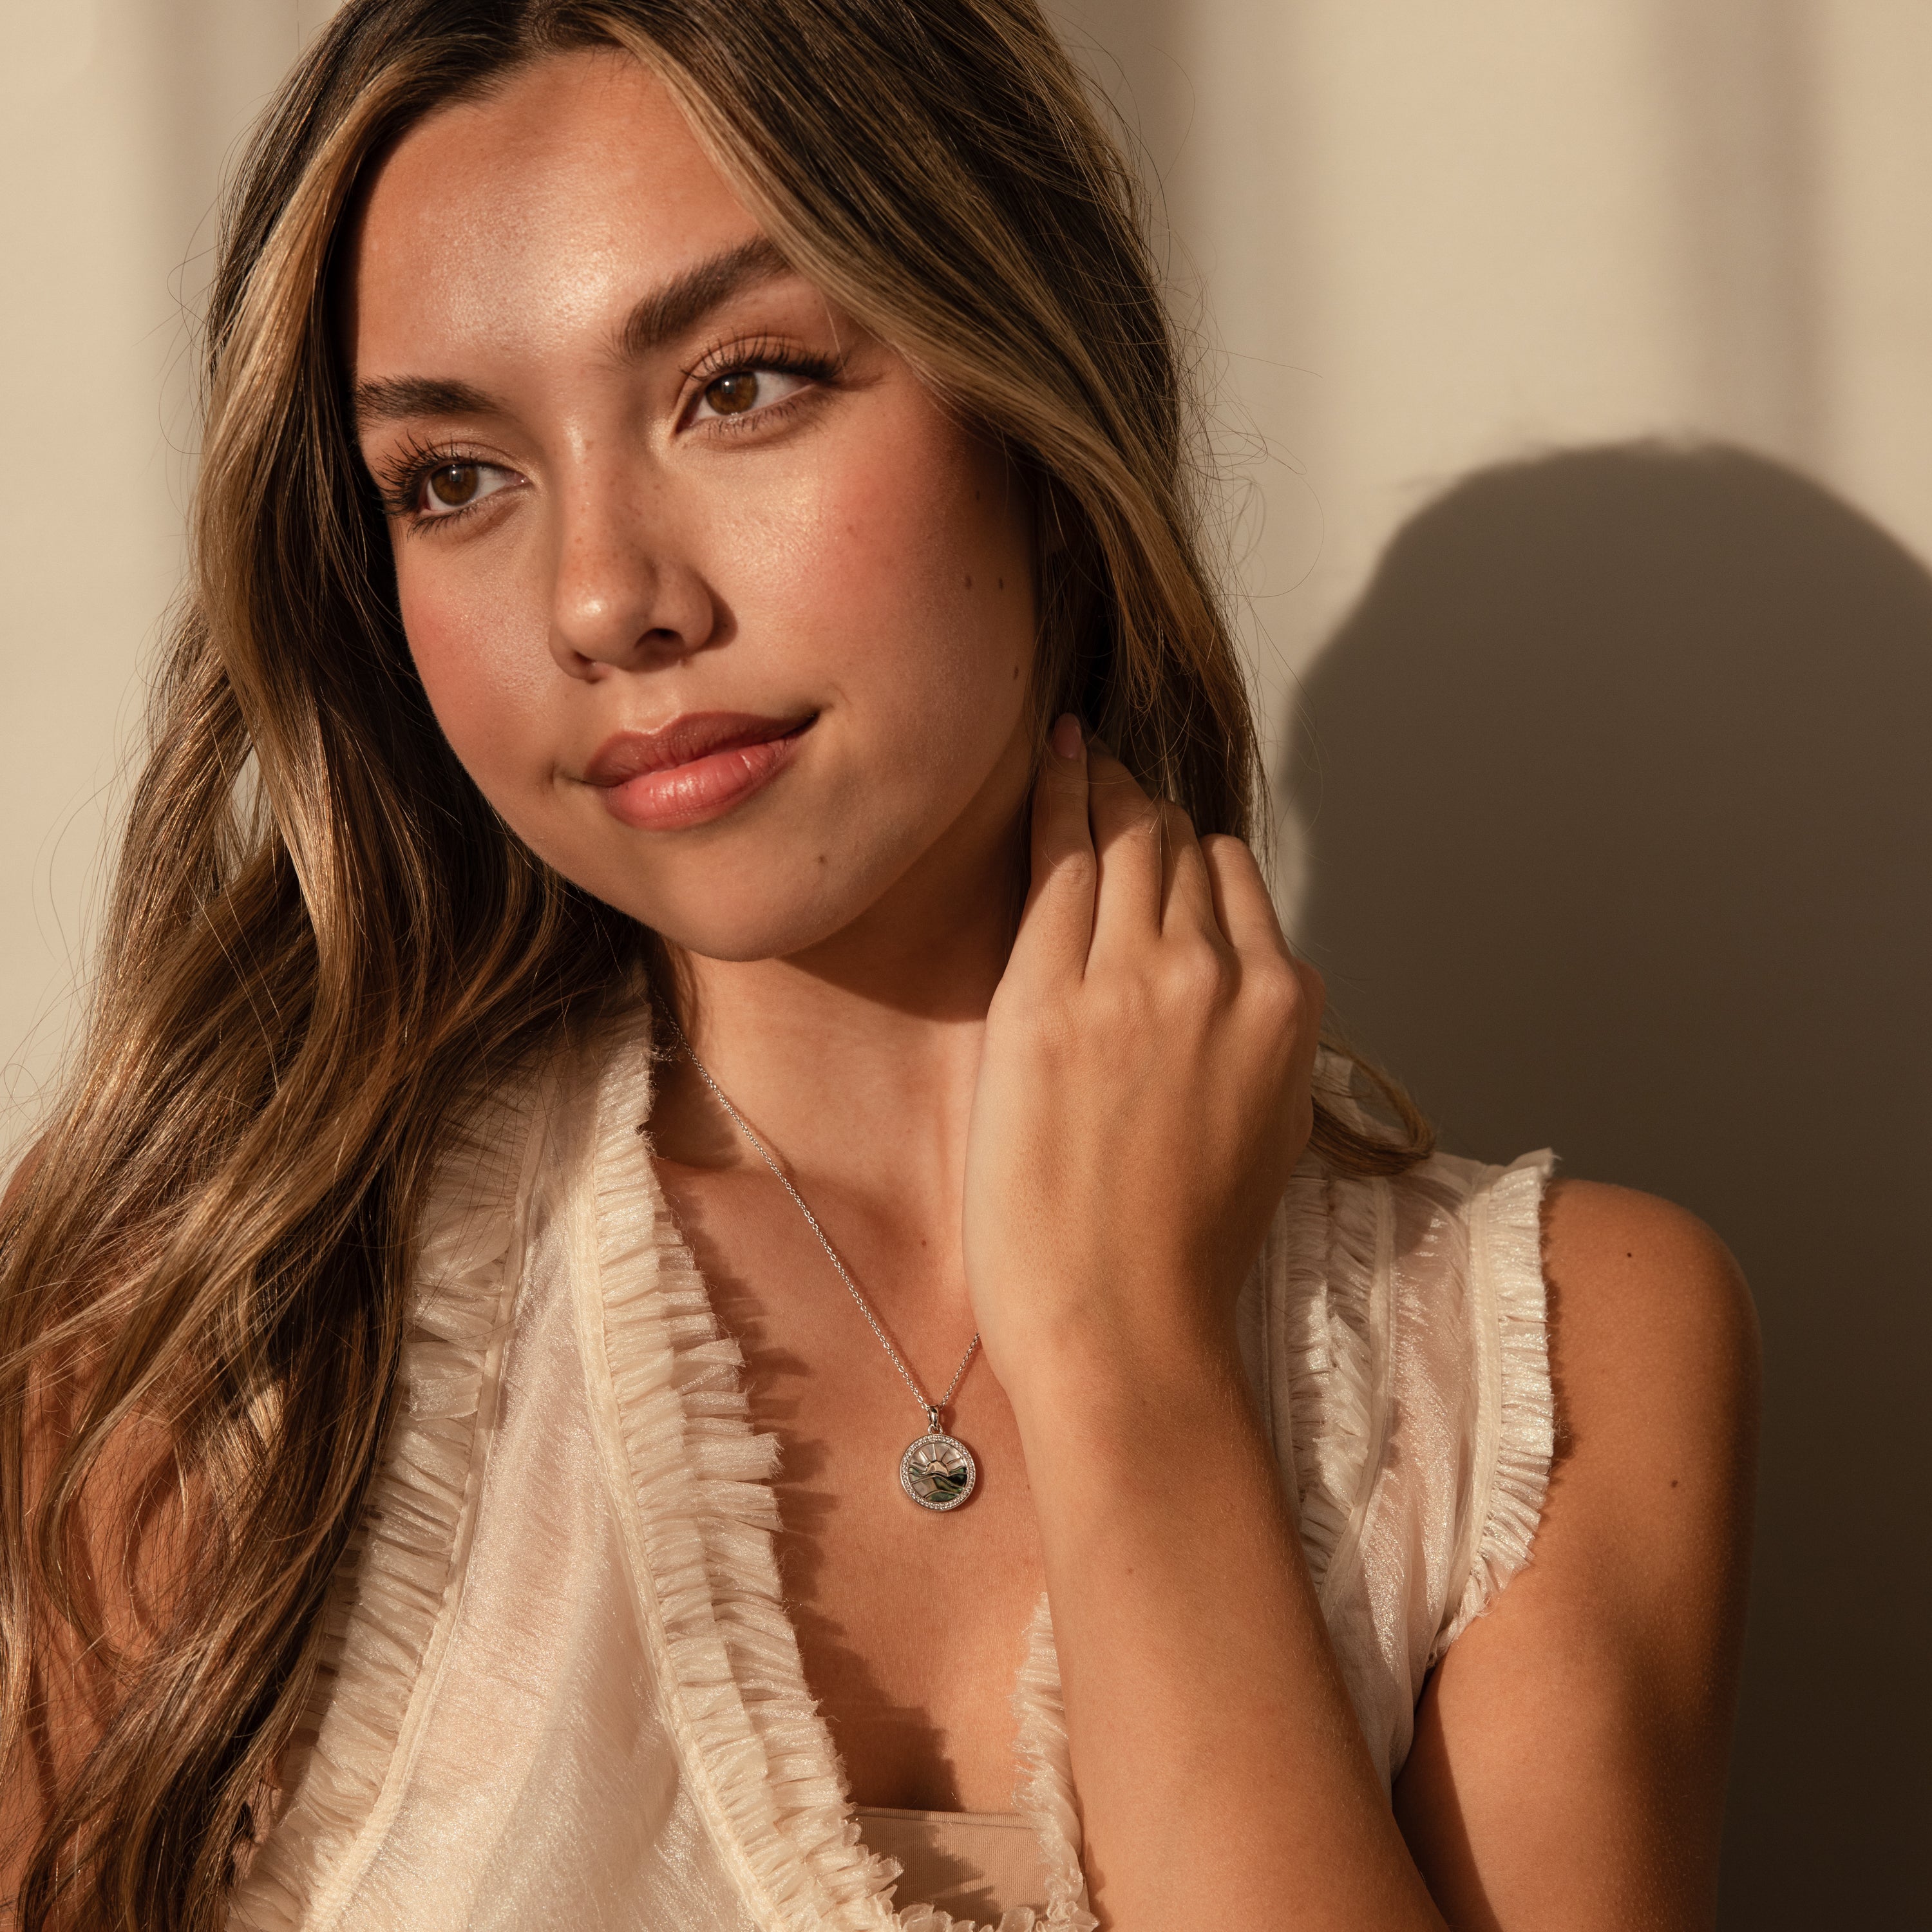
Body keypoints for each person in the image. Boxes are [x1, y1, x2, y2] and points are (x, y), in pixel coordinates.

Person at [0, 3, 1759, 1927]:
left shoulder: (1553, 1363)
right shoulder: (204, 1321)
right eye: (452, 478)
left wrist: (1131, 1363)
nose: (604, 598)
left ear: (1034, 407)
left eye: (741, 385)